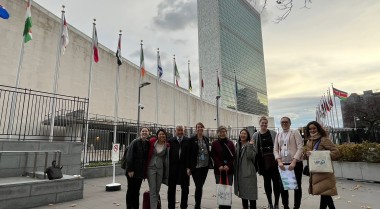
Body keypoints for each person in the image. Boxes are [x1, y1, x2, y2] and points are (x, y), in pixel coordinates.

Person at [305, 121, 341, 209]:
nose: (312, 130)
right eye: (310, 129)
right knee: (324, 194)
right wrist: (306, 155)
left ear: (318, 128)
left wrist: (320, 154)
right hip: (315, 170)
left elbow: (336, 153)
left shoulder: (324, 139)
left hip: (324, 171)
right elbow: (308, 155)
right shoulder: (309, 141)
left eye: (314, 128)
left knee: (325, 193)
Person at [274, 117, 304, 209]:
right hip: (283, 164)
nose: (284, 123)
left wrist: (294, 161)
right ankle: (286, 206)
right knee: (283, 187)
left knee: (297, 186)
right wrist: (279, 161)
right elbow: (275, 149)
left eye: (286, 122)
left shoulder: (295, 133)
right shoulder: (278, 134)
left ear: (290, 123)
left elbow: (300, 147)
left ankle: (296, 206)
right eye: (282, 122)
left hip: (295, 164)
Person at [253, 116, 280, 209]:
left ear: (267, 124)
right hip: (263, 163)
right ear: (259, 124)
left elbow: (278, 146)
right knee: (267, 183)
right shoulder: (256, 135)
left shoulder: (273, 133)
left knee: (276, 183)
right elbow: (254, 149)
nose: (264, 124)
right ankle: (270, 203)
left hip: (274, 162)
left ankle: (276, 203)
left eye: (265, 123)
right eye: (262, 123)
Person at [211, 125, 236, 209]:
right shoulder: (214, 143)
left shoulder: (231, 143)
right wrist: (219, 165)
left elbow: (233, 156)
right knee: (220, 189)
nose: (222, 133)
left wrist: (228, 165)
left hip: (229, 170)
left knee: (228, 188)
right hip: (219, 170)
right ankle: (221, 205)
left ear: (226, 132)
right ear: (218, 133)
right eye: (221, 132)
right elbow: (214, 156)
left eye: (224, 131)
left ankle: (228, 205)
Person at [125, 127, 150, 209]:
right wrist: (130, 170)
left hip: (140, 172)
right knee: (131, 190)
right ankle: (129, 207)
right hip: (132, 171)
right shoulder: (135, 142)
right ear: (140, 133)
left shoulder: (147, 143)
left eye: (146, 131)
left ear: (148, 133)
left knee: (136, 191)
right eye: (143, 131)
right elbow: (129, 156)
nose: (144, 133)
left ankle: (135, 206)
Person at [167, 125, 191, 209]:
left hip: (184, 168)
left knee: (185, 189)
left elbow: (190, 155)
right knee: (171, 189)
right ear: (175, 131)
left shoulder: (188, 141)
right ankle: (171, 206)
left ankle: (184, 206)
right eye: (178, 130)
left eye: (181, 130)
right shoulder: (170, 141)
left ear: (184, 131)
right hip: (173, 169)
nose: (180, 132)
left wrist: (189, 167)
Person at [189, 122, 211, 209]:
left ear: (203, 129)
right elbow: (189, 154)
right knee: (198, 186)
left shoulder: (206, 139)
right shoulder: (192, 140)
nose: (200, 129)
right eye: (198, 127)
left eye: (201, 127)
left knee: (200, 186)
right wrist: (189, 167)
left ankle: (198, 204)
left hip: (205, 166)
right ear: (196, 129)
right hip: (196, 167)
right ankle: (197, 205)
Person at [234, 129, 258, 209]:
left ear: (247, 136)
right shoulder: (238, 145)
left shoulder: (250, 144)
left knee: (251, 195)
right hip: (240, 173)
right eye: (241, 133)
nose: (243, 135)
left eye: (245, 134)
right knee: (243, 194)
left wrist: (250, 146)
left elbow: (250, 156)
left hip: (249, 172)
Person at [147, 129, 170, 209]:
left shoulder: (167, 145)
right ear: (157, 135)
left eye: (163, 134)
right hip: (151, 168)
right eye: (160, 134)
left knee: (157, 190)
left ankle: (155, 206)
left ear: (165, 135)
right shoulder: (152, 141)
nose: (161, 135)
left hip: (160, 169)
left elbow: (167, 159)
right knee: (153, 190)